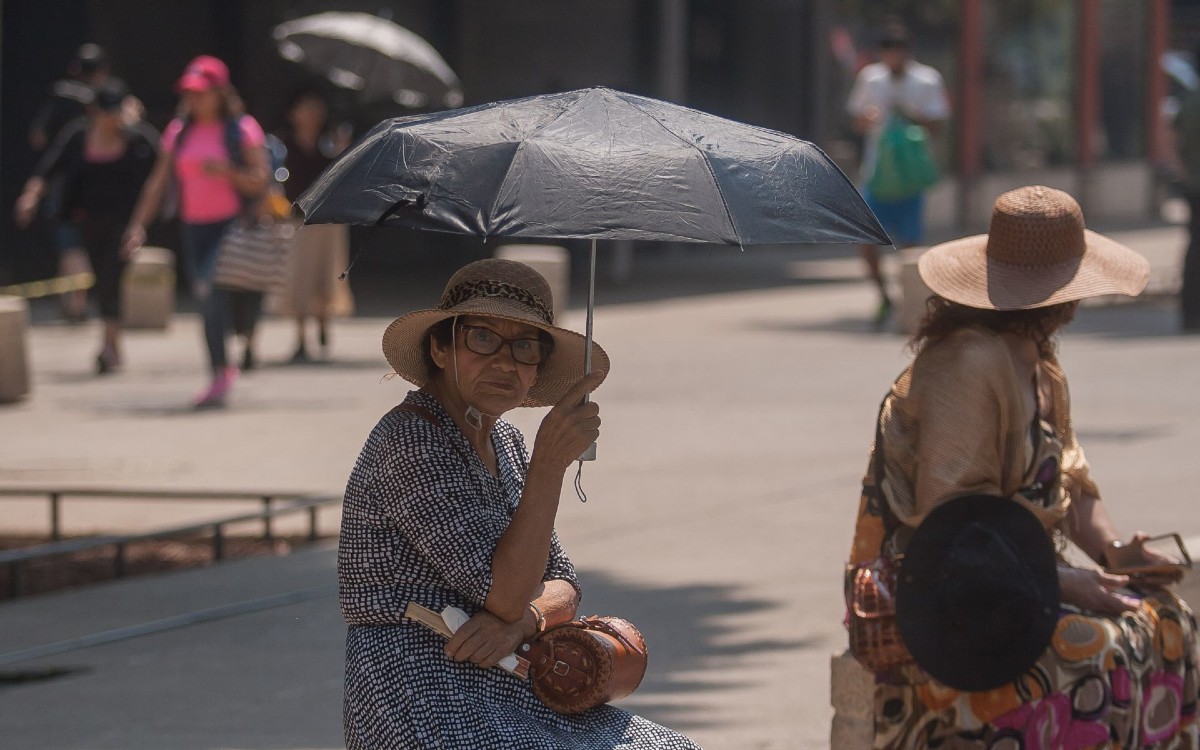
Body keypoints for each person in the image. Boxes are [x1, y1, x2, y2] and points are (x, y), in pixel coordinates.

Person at [846, 186, 1198, 748]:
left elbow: (1071, 480)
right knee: (1100, 651)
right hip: (950, 599)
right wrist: (1068, 582)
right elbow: (954, 524)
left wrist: (1118, 556)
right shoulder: (967, 365)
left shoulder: (1039, 362)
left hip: (1019, 581)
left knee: (1168, 621)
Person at [339, 258, 702, 749]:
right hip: (417, 684)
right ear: (440, 348)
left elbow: (564, 586)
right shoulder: (411, 440)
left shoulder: (506, 440)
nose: (506, 362)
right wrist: (550, 465)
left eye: (525, 347)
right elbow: (506, 591)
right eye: (483, 338)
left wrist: (523, 624)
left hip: (506, 678)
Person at [123, 55, 270, 407]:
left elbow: (260, 179)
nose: (195, 99)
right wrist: (138, 225)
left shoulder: (242, 129)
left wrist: (227, 171)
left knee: (212, 290)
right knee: (209, 299)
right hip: (193, 228)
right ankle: (220, 371)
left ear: (220, 92)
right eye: (190, 93)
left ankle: (232, 354)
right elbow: (158, 182)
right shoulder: (179, 131)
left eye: (202, 92)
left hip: (234, 226)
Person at [15, 79, 158, 373]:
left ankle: (109, 344)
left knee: (111, 277)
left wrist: (143, 222)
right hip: (87, 220)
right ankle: (111, 342)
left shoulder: (136, 139)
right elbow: (50, 167)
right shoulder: (79, 135)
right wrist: (31, 196)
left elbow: (163, 168)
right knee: (98, 277)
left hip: (126, 223)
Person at [846, 19, 949, 327]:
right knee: (867, 242)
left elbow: (937, 127)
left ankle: (910, 305)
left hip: (909, 178)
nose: (892, 57)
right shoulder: (871, 79)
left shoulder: (927, 80)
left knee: (909, 249)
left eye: (897, 51)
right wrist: (869, 118)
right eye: (886, 51)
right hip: (876, 174)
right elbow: (857, 121)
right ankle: (884, 297)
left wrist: (909, 114)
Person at [27, 43, 111, 323]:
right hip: (90, 184)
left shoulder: (64, 96)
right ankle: (78, 305)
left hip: (68, 182)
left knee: (71, 246)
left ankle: (74, 305)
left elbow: (37, 137)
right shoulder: (103, 98)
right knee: (79, 244)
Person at [274, 87, 354, 363]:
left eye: (315, 109)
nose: (311, 115)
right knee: (298, 278)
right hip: (297, 221)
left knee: (326, 275)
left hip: (329, 219)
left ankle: (323, 324)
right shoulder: (283, 146)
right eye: (305, 109)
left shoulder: (331, 143)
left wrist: (344, 153)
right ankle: (300, 338)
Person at [1173, 44, 1200, 333]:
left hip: (1193, 185)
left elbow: (1172, 141)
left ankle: (1190, 312)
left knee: (1194, 249)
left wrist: (1183, 171)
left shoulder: (1190, 100)